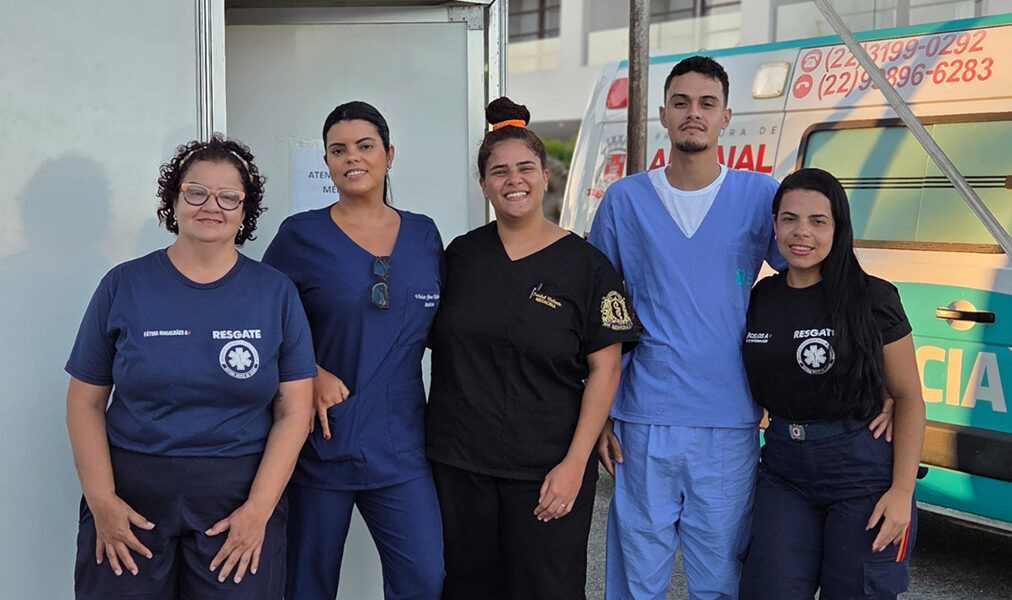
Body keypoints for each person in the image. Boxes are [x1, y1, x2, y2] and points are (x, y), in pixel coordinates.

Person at [65, 135, 317, 600]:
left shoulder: (275, 293)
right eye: (196, 192)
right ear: (174, 200)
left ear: (245, 212)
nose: (211, 206)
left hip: (238, 502)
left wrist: (259, 510)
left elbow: (295, 410)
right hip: (130, 501)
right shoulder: (124, 285)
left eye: (228, 197)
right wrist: (102, 502)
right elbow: (85, 400)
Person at [425, 97, 639, 600]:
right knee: (468, 588)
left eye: (525, 168)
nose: (512, 180)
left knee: (546, 589)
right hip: (460, 466)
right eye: (498, 171)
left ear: (545, 176)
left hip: (547, 471)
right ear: (483, 185)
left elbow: (606, 370)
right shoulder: (460, 256)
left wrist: (574, 465)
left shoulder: (588, 267)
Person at [588, 54, 784, 600]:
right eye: (681, 103)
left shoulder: (759, 196)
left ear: (726, 116)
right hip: (642, 418)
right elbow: (595, 313)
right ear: (662, 114)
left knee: (721, 576)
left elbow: (810, 287)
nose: (692, 114)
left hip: (729, 418)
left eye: (706, 104)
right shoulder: (625, 201)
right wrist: (598, 410)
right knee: (636, 577)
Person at [262, 101, 445, 600]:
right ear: (327, 162)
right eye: (338, 150)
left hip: (401, 445)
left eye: (365, 147)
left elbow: (447, 328)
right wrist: (310, 370)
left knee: (425, 579)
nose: (352, 158)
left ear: (389, 154)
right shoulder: (300, 236)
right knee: (306, 585)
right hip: (320, 443)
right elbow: (260, 322)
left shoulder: (425, 234)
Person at [738, 168, 925, 599]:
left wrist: (901, 492)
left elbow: (909, 397)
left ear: (838, 228)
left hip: (861, 475)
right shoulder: (760, 299)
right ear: (774, 225)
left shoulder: (873, 297)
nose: (801, 232)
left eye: (817, 221)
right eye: (789, 219)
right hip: (783, 471)